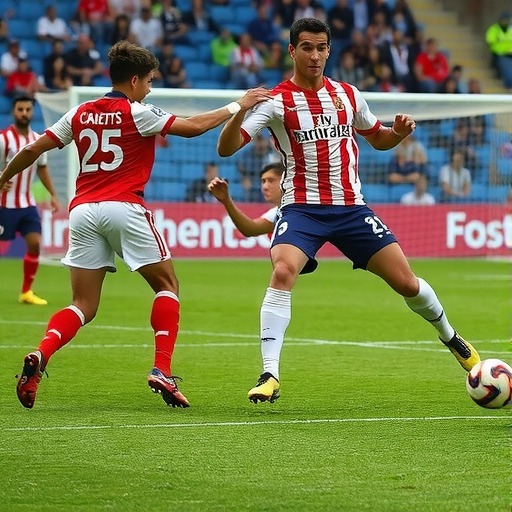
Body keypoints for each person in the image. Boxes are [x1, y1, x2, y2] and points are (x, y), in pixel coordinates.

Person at [216, 18, 480, 405]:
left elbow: (378, 139)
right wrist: (239, 110)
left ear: (329, 51)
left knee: (407, 283)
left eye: (321, 48)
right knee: (283, 271)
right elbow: (226, 148)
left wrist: (398, 133)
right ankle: (270, 373)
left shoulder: (348, 95)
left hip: (351, 209)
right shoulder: (275, 102)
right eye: (307, 47)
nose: (315, 55)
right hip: (302, 209)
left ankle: (451, 337)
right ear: (292, 51)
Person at [0, 40, 271, 410]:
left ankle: (41, 353)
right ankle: (162, 369)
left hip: (82, 211)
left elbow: (32, 149)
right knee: (167, 285)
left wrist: (4, 177)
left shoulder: (79, 112)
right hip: (124, 206)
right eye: (149, 81)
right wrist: (239, 104)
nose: (150, 89)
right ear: (133, 80)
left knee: (83, 304)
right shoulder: (137, 111)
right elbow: (193, 127)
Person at [0, 95, 60, 305]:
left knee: (34, 243)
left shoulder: (37, 140)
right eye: (20, 109)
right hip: (3, 204)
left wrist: (53, 195)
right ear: (14, 111)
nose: (24, 113)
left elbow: (42, 169)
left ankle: (26, 292)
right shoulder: (3, 139)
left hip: (27, 204)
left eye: (27, 109)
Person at [208, 162, 285, 236]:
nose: (265, 187)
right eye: (263, 181)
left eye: (271, 181)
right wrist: (226, 200)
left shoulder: (289, 209)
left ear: (285, 181)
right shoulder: (276, 213)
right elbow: (250, 229)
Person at [485, 11, 512, 92]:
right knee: (506, 69)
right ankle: (509, 86)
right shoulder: (495, 29)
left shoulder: (510, 29)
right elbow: (490, 40)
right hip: (500, 54)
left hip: (510, 54)